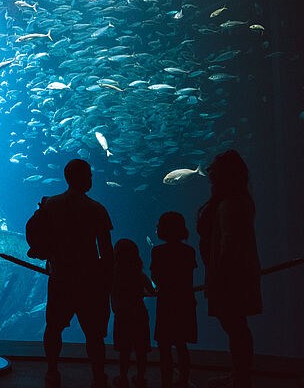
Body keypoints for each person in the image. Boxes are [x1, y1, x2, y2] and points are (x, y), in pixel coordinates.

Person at [41, 159, 114, 388]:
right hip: (89, 280)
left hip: (60, 276)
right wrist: (108, 280)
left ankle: (52, 371)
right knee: (94, 334)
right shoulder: (97, 209)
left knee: (53, 328)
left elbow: (43, 240)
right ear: (84, 178)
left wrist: (50, 260)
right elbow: (106, 250)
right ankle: (98, 375)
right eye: (89, 175)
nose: (92, 179)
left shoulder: (50, 205)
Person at [196, 150, 261, 388]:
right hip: (234, 273)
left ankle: (241, 377)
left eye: (215, 170)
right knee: (236, 326)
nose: (210, 174)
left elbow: (229, 244)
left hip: (229, 276)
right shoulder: (239, 200)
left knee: (236, 327)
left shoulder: (230, 205)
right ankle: (239, 374)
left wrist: (219, 277)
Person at [151, 212, 198, 388]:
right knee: (181, 344)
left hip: (166, 302)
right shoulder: (189, 251)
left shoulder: (158, 251)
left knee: (164, 346)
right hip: (185, 301)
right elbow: (189, 276)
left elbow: (156, 275)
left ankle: (166, 381)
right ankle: (184, 380)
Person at [111, 239, 155, 388]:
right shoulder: (139, 275)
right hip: (139, 315)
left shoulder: (114, 275)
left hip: (122, 316)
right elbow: (152, 291)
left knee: (124, 350)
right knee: (141, 350)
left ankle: (123, 377)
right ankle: (141, 377)